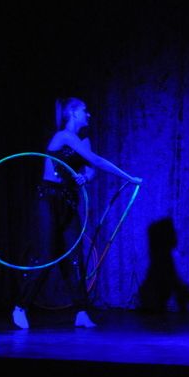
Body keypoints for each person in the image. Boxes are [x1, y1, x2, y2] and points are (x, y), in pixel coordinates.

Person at [12, 97, 142, 329]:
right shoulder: (63, 136)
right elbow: (96, 160)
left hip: (69, 199)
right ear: (72, 112)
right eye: (84, 111)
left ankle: (81, 311)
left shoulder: (84, 140)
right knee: (46, 255)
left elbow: (92, 169)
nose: (88, 115)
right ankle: (21, 306)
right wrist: (128, 177)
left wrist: (84, 177)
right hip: (48, 198)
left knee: (74, 258)